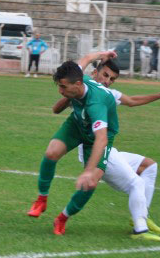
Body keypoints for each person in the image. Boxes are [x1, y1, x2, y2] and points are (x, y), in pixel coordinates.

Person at [51, 57, 160, 242]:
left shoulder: (108, 94)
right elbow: (59, 104)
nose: (108, 81)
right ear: (95, 73)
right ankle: (140, 230)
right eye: (105, 75)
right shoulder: (82, 90)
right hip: (95, 150)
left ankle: (141, 215)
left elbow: (132, 100)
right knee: (135, 183)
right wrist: (66, 98)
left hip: (107, 149)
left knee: (149, 166)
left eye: (112, 79)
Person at [27, 53, 119, 236]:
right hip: (77, 124)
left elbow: (101, 139)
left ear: (77, 84)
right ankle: (41, 200)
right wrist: (104, 54)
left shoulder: (96, 103)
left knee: (91, 182)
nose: (60, 90)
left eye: (63, 87)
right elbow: (86, 58)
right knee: (51, 152)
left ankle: (62, 218)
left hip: (99, 137)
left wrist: (88, 171)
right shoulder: (76, 75)